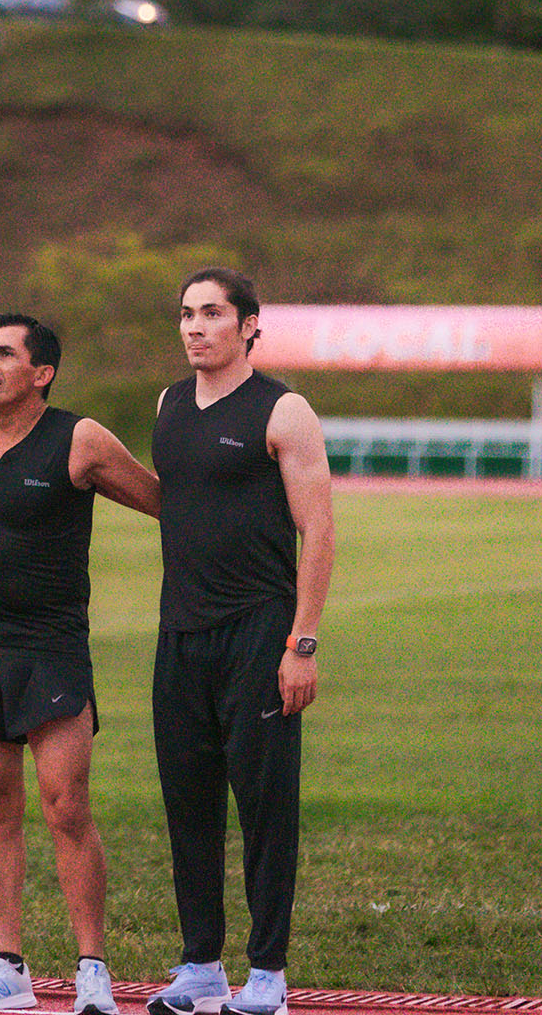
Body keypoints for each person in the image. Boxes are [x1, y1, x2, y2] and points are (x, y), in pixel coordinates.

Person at [0, 314, 161, 1015]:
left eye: (4, 355)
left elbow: (162, 499)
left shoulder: (78, 439)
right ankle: (7, 967)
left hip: (49, 646)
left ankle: (92, 971)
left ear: (41, 372)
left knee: (66, 806)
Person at [144, 268, 333, 1015]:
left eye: (212, 313)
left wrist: (302, 642)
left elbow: (316, 529)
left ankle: (268, 975)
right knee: (188, 806)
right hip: (179, 634)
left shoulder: (283, 410)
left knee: (263, 805)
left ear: (250, 324)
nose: (195, 327)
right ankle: (198, 966)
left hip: (258, 632)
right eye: (186, 313)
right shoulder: (168, 405)